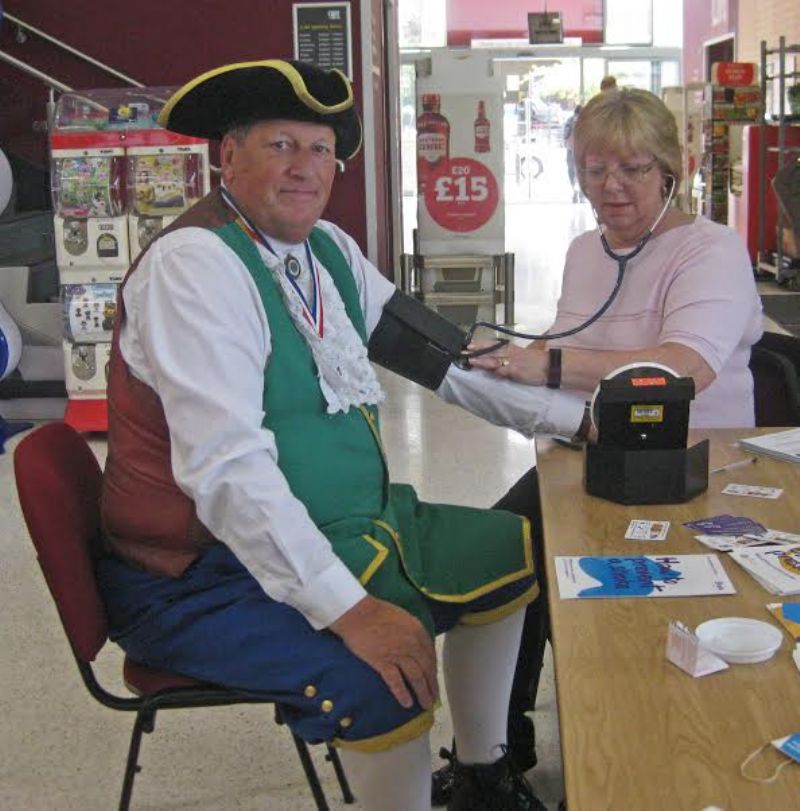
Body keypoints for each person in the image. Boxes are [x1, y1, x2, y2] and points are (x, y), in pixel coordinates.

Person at [96, 59, 591, 811]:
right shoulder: (195, 267)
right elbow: (228, 471)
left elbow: (448, 364)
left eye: (322, 150)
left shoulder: (325, 249)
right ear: (228, 155)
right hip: (203, 574)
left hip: (345, 527)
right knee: (382, 678)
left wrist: (581, 420)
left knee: (509, 552)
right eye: (282, 145)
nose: (307, 168)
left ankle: (482, 773)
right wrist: (352, 612)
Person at [433, 86, 764, 803]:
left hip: (696, 460)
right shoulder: (587, 249)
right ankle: (494, 752)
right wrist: (503, 363)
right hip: (591, 448)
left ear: (670, 170)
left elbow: (685, 365)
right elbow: (570, 350)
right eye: (593, 169)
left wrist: (545, 364)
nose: (610, 188)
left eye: (633, 169)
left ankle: (638, 742)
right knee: (497, 554)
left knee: (606, 598)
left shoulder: (712, 250)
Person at [562, 104, 582, 203]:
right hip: (577, 149)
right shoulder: (572, 121)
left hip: (574, 148)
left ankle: (577, 190)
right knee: (576, 170)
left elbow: (565, 134)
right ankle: (577, 191)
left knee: (573, 170)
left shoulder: (571, 120)